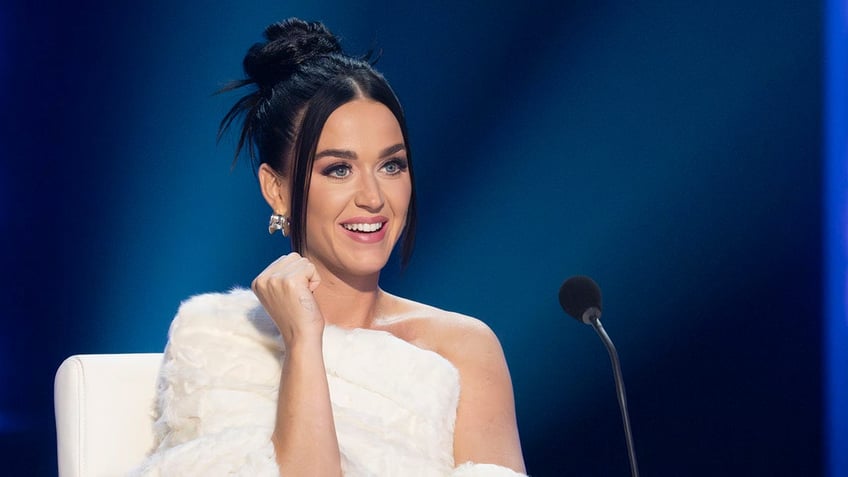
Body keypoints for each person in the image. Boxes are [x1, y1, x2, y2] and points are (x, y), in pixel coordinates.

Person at [131, 18, 526, 477]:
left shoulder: (463, 349)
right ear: (276, 189)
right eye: (339, 169)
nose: (373, 197)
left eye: (391, 165)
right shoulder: (216, 340)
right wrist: (302, 342)